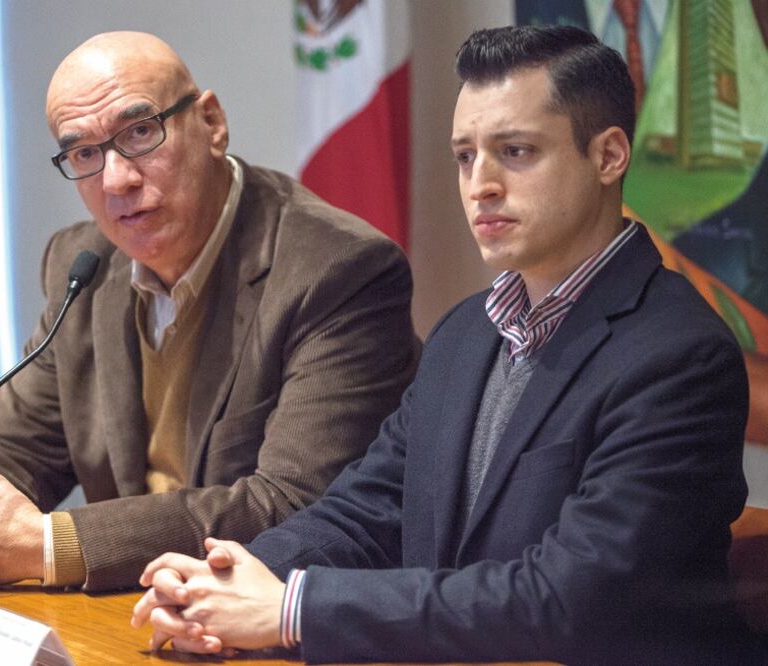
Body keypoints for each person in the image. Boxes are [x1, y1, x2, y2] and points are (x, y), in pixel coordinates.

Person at [132, 25, 764, 664]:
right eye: (466, 156)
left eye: (515, 151)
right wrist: (226, 581)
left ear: (607, 157)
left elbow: (568, 599)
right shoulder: (465, 331)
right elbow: (369, 510)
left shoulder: (680, 354)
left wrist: (294, 609)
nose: (480, 184)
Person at [0, 31, 417, 593]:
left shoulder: (338, 269)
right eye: (84, 153)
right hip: (127, 612)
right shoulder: (82, 265)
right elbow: (7, 450)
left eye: (140, 132)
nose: (117, 179)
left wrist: (52, 545)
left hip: (272, 620)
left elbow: (297, 505)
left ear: (212, 124)